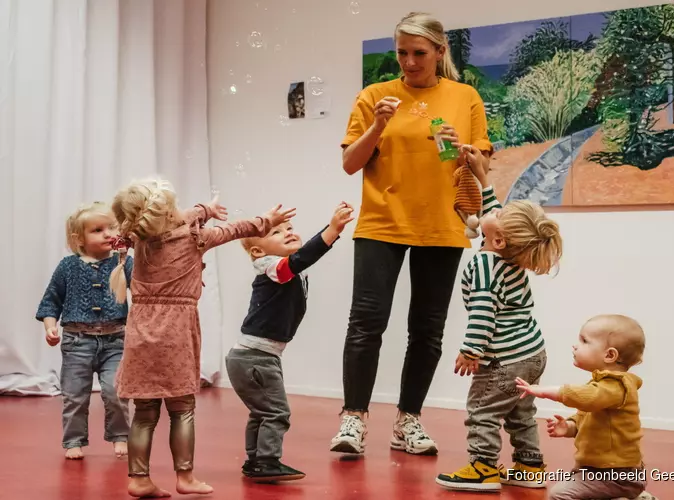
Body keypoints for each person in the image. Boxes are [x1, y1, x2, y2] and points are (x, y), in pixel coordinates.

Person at [330, 11, 493, 457]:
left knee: (427, 330)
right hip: (382, 223)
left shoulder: (466, 97)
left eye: (419, 53)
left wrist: (467, 152)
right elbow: (349, 164)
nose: (409, 61)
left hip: (442, 225)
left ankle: (408, 421)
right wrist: (379, 125)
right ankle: (353, 419)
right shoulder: (375, 96)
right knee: (366, 323)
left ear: (440, 52)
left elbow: (483, 168)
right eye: (402, 52)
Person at [108, 177, 295, 498]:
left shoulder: (139, 239)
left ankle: (138, 478)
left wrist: (204, 209)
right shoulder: (194, 239)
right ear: (167, 213)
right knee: (182, 408)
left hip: (140, 329)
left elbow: (181, 217)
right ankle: (185, 476)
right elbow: (236, 229)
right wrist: (268, 221)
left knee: (145, 412)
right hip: (176, 330)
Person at [435, 147, 563, 492]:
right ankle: (530, 466)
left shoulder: (484, 266)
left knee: (482, 409)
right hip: (532, 354)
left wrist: (470, 351)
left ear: (498, 238)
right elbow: (492, 212)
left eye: (502, 214)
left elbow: (482, 312)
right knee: (520, 411)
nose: (497, 209)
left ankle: (483, 468)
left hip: (503, 360)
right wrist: (481, 174)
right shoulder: (511, 255)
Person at [226, 202, 355, 483]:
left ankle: (255, 460)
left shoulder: (283, 268)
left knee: (261, 412)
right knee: (276, 412)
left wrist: (331, 230)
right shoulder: (271, 267)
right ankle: (267, 461)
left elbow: (299, 262)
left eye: (289, 228)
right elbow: (298, 261)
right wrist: (331, 231)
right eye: (276, 232)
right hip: (254, 357)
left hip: (253, 356)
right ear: (258, 251)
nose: (287, 232)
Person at [515, 314, 655, 500]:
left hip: (617, 475)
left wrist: (543, 391)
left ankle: (628, 492)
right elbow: (587, 415)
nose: (575, 345)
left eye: (584, 341)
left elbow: (586, 398)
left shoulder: (617, 385)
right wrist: (570, 426)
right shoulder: (603, 386)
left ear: (610, 355)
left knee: (559, 495)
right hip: (599, 470)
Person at [35, 202, 132, 460]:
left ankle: (121, 435)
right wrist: (50, 327)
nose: (108, 234)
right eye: (98, 230)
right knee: (74, 395)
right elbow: (50, 301)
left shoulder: (124, 262)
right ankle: (74, 440)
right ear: (79, 239)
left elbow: (145, 289)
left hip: (116, 340)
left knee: (116, 391)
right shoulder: (68, 266)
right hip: (77, 341)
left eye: (111, 227)